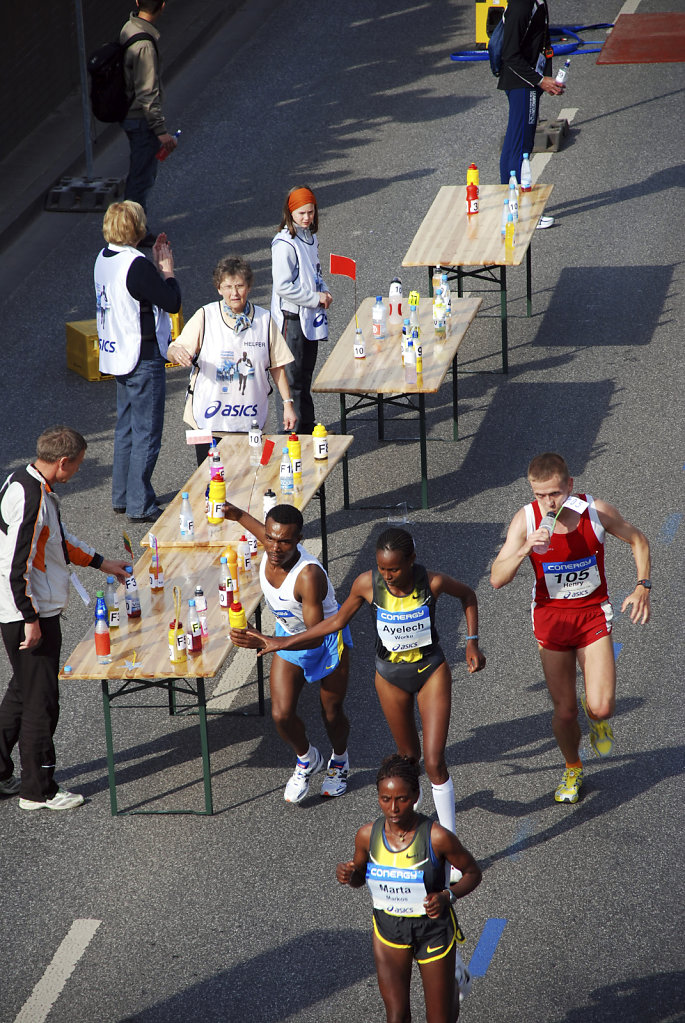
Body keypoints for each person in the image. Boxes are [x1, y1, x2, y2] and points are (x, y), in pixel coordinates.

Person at [232, 527, 486, 839]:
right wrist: (280, 642)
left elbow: (468, 596)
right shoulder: (367, 584)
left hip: (430, 670)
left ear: (411, 561)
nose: (388, 576)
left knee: (434, 762)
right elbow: (336, 622)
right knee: (409, 759)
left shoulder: (432, 582)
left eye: (394, 568)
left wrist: (472, 641)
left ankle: (448, 844)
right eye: (382, 568)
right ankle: (413, 819)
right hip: (390, 677)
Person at [490, 452, 651, 804]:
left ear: (570, 486)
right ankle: (573, 767)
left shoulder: (596, 512)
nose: (548, 503)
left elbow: (638, 540)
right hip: (551, 620)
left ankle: (597, 717)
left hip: (592, 615)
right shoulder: (527, 520)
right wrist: (523, 551)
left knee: (602, 706)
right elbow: (496, 580)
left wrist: (642, 586)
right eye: (539, 495)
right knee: (564, 710)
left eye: (555, 494)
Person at [0, 427, 130, 811]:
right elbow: (14, 567)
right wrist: (31, 618)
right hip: (28, 610)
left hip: (20, 608)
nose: (77, 471)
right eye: (78, 464)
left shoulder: (24, 481)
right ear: (63, 462)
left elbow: (58, 542)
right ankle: (37, 790)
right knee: (42, 701)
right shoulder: (32, 498)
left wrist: (103, 562)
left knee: (23, 691)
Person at [336, 755, 482, 1021]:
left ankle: (453, 981)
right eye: (385, 799)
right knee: (396, 1016)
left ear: (415, 795)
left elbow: (473, 873)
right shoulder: (367, 835)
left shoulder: (438, 837)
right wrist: (350, 874)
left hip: (433, 931)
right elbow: (360, 877)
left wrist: (448, 895)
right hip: (388, 930)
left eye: (402, 799)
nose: (393, 808)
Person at [225, 502, 352, 803]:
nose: (274, 546)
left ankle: (340, 761)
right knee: (281, 715)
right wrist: (233, 511)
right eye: (270, 537)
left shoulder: (307, 576)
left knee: (331, 714)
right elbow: (248, 520)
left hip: (326, 640)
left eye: (284, 541)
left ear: (298, 540)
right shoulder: (270, 543)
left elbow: (316, 635)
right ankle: (308, 759)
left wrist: (272, 641)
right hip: (285, 638)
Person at [94, 200, 181, 522]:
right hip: (142, 356)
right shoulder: (137, 266)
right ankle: (139, 504)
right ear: (136, 228)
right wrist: (167, 270)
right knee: (147, 431)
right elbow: (171, 302)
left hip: (117, 354)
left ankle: (123, 495)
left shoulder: (103, 258)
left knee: (126, 428)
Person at [167, 256, 297, 466]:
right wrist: (177, 352)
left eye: (239, 286)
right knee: (213, 484)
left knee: (250, 483)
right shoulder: (205, 315)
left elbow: (277, 365)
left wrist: (287, 404)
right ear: (219, 288)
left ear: (249, 286)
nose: (234, 293)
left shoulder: (264, 320)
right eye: (227, 287)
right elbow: (172, 349)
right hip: (209, 422)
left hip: (250, 423)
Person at [497, 0, 564, 227]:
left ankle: (513, 207)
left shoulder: (537, 2)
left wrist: (547, 79)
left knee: (518, 145)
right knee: (519, 146)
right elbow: (510, 55)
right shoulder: (522, 6)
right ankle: (518, 212)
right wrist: (540, 80)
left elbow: (541, 44)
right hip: (521, 84)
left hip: (528, 82)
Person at [271, 186, 332, 434]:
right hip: (291, 319)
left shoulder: (310, 236)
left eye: (310, 212)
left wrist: (324, 290)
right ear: (290, 213)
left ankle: (307, 429)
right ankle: (291, 434)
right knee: (292, 380)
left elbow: (314, 273)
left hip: (309, 316)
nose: (307, 217)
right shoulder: (284, 243)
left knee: (305, 377)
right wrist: (314, 298)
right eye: (301, 213)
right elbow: (283, 286)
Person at [120, 0, 177, 215]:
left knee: (139, 172)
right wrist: (161, 132)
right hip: (141, 119)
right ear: (162, 5)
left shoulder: (129, 27)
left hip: (129, 112)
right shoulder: (145, 44)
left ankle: (130, 226)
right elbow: (147, 93)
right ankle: (132, 229)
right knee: (141, 177)